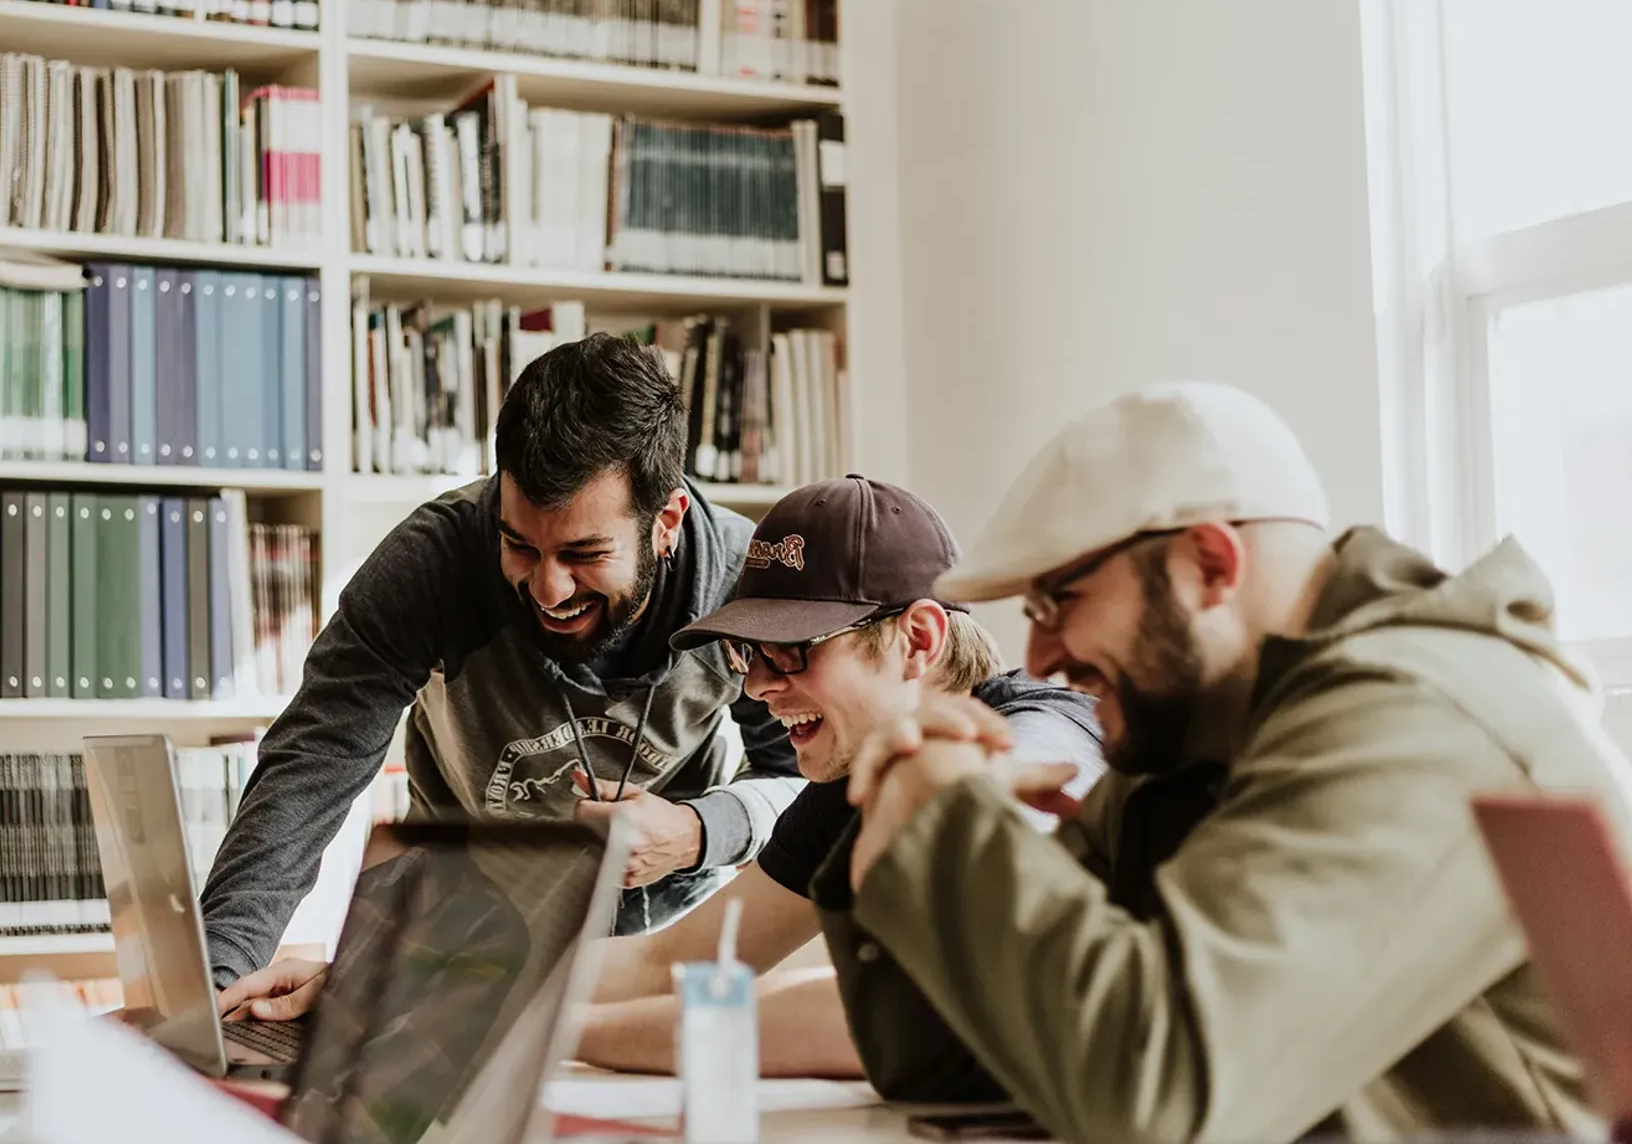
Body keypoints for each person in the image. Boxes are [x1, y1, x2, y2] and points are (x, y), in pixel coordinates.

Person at [822, 380, 1632, 1141]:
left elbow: (1160, 1097)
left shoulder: (1416, 718)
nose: (1039, 657)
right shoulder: (1197, 737)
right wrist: (901, 824)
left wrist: (947, 822)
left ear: (1210, 564)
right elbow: (955, 1068)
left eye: (1059, 600)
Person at [205, 335, 805, 1015]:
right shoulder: (431, 563)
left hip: (659, 959)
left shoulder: (742, 582)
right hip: (456, 945)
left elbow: (802, 780)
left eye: (585, 553)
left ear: (666, 521)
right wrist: (215, 985)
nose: (549, 589)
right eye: (520, 544)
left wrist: (698, 830)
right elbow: (311, 765)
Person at [567, 475, 1103, 1077]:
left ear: (918, 640)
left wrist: (558, 1035)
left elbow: (905, 1009)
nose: (756, 686)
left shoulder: (1045, 740)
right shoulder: (853, 783)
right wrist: (485, 989)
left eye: (791, 649)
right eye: (749, 653)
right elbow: (673, 961)